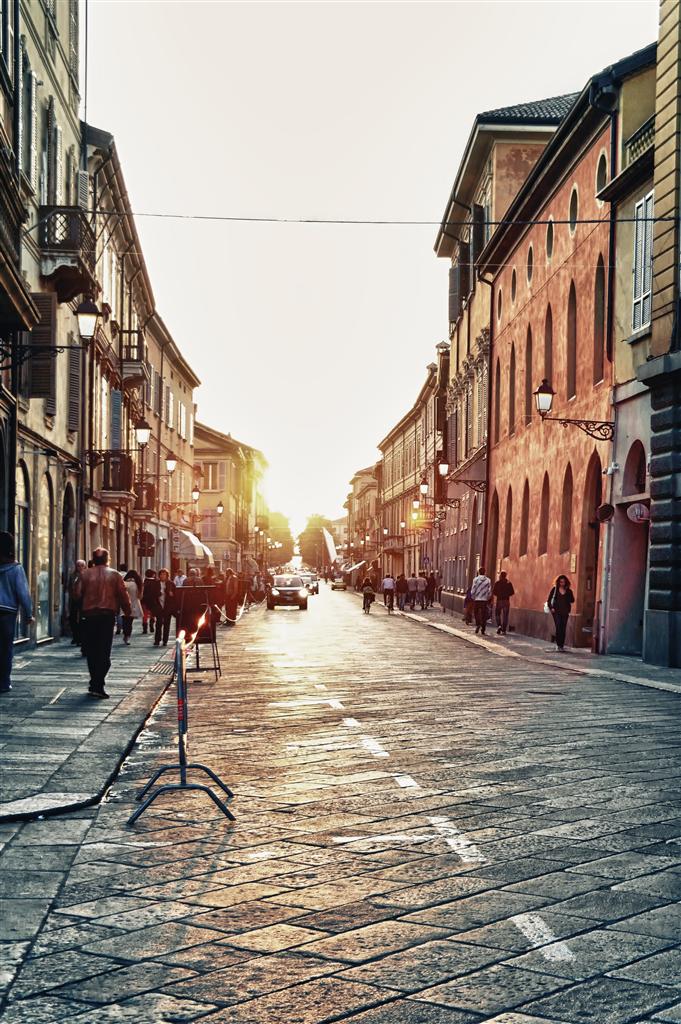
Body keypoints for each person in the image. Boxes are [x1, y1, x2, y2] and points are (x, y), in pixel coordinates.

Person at [75, 548, 131, 699]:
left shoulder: (85, 574)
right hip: (107, 616)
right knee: (104, 651)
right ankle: (97, 684)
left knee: (92, 651)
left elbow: (77, 595)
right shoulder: (114, 575)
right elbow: (123, 595)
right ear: (108, 559)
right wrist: (128, 611)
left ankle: (95, 683)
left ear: (93, 559)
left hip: (89, 616)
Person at [0, 532, 33, 692]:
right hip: (7, 613)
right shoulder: (16, 568)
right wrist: (29, 613)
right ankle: (4, 682)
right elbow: (23, 593)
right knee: (6, 649)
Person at [145, 568, 177, 646]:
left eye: (164, 574)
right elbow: (152, 595)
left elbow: (175, 595)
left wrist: (171, 595)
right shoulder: (155, 583)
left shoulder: (171, 584)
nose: (162, 576)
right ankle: (157, 640)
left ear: (167, 575)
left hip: (167, 606)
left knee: (167, 624)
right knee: (158, 624)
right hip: (158, 606)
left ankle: (165, 640)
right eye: (161, 574)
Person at [547, 574, 575, 651]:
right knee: (558, 627)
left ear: (566, 582)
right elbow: (549, 600)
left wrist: (568, 594)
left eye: (563, 582)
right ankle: (558, 645)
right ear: (558, 582)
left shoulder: (568, 591)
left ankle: (561, 646)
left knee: (563, 628)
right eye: (560, 582)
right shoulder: (554, 590)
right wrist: (551, 608)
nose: (562, 583)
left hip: (565, 612)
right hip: (556, 612)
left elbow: (572, 600)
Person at [68, 559, 87, 647]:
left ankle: (80, 638)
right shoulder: (72, 576)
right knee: (72, 618)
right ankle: (75, 636)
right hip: (74, 600)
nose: (79, 567)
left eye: (81, 565)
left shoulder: (87, 575)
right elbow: (69, 587)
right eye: (78, 565)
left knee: (82, 620)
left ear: (84, 566)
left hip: (84, 600)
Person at [122, 570, 143, 645]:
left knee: (125, 621)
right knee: (129, 622)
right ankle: (127, 636)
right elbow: (140, 596)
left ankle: (125, 634)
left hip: (124, 605)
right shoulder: (137, 584)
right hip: (133, 605)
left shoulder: (123, 583)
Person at [470, 566, 492, 635]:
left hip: (477, 599)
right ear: (484, 572)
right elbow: (489, 590)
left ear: (478, 572)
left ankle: (478, 624)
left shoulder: (475, 579)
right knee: (484, 614)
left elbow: (473, 589)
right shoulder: (488, 580)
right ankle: (483, 628)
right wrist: (488, 597)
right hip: (484, 600)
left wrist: (472, 596)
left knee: (476, 612)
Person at [493, 571, 515, 635]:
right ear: (505, 576)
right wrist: (507, 594)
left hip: (499, 600)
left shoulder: (497, 583)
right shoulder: (509, 583)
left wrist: (499, 594)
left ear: (500, 576)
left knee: (497, 614)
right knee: (505, 615)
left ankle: (499, 626)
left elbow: (494, 592)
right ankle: (504, 630)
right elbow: (512, 592)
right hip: (506, 601)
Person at [141, 569, 157, 635]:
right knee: (152, 614)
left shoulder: (144, 582)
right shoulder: (156, 582)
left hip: (145, 600)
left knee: (144, 615)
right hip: (153, 600)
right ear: (153, 575)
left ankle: (145, 629)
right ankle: (151, 625)